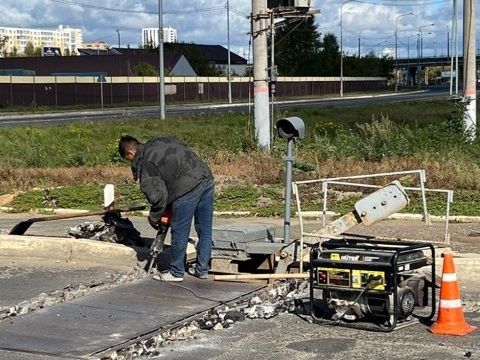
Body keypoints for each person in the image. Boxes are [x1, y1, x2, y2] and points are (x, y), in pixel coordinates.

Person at [118, 135, 215, 282]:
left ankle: (176, 272)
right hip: (205, 176)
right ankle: (202, 269)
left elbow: (157, 195)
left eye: (128, 159)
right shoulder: (159, 142)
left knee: (179, 229)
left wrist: (155, 216)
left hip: (186, 186)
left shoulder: (146, 162)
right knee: (204, 228)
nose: (131, 162)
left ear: (131, 153)